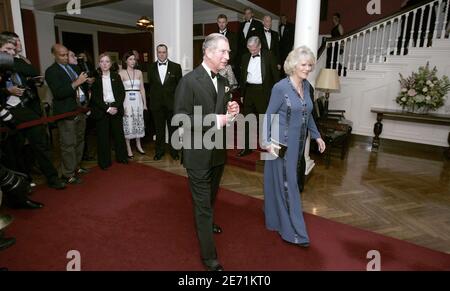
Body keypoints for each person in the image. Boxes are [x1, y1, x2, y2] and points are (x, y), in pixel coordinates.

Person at [174, 33, 240, 271]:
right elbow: (180, 118)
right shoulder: (189, 81)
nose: (227, 56)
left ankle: (208, 222)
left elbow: (224, 115)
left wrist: (232, 111)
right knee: (202, 206)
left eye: (229, 52)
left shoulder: (223, 81)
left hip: (217, 153)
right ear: (209, 52)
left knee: (210, 199)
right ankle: (209, 258)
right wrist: (217, 119)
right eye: (224, 51)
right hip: (197, 154)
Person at [262, 46, 326, 247]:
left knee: (280, 184)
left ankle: (274, 220)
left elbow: (308, 116)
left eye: (310, 65)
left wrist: (317, 136)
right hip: (279, 146)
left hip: (298, 146)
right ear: (293, 65)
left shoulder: (307, 86)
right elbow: (268, 115)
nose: (308, 69)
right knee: (289, 186)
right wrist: (266, 142)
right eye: (303, 64)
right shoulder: (280, 87)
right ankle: (295, 232)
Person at [45, 44, 91, 185]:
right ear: (54, 55)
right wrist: (77, 82)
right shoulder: (51, 71)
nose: (65, 57)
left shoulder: (73, 68)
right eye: (62, 55)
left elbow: (81, 86)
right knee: (68, 144)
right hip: (65, 112)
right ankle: (68, 174)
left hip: (80, 109)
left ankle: (76, 167)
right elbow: (59, 93)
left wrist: (86, 83)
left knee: (79, 140)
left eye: (66, 54)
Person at [238, 36, 279, 157]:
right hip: (249, 91)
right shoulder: (245, 57)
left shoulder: (269, 55)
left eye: (254, 49)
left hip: (263, 91)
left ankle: (267, 146)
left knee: (264, 121)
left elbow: (275, 75)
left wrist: (276, 94)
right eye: (250, 49)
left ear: (260, 46)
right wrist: (242, 94)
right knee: (247, 120)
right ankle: (247, 147)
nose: (252, 52)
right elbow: (243, 77)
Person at [89, 53, 128, 170]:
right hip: (102, 110)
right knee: (103, 137)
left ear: (111, 64)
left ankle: (122, 158)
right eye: (102, 61)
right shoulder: (95, 79)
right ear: (99, 64)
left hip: (116, 109)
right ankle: (105, 162)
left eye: (107, 61)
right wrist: (107, 108)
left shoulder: (116, 76)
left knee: (119, 135)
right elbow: (95, 97)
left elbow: (121, 93)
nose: (105, 64)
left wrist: (115, 107)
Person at [148, 44, 182, 161]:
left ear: (167, 53)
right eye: (159, 52)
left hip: (171, 105)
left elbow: (179, 87)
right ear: (156, 53)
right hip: (157, 105)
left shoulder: (176, 67)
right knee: (159, 130)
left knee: (173, 129)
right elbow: (151, 87)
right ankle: (159, 152)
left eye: (163, 52)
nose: (161, 54)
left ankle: (174, 152)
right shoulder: (150, 67)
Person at [119, 51, 147, 159]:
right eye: (130, 59)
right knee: (128, 122)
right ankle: (128, 147)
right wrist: (121, 105)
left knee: (138, 121)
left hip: (138, 100)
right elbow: (120, 91)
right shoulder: (121, 73)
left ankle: (138, 145)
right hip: (126, 100)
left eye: (134, 59)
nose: (132, 61)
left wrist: (145, 104)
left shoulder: (139, 72)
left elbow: (142, 89)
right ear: (126, 60)